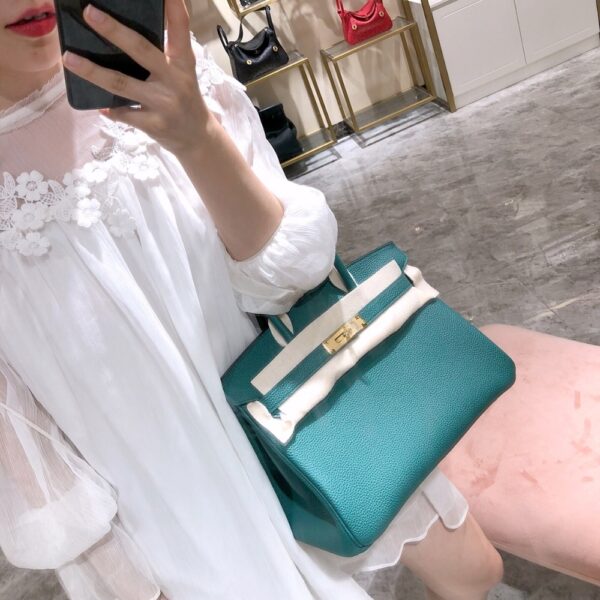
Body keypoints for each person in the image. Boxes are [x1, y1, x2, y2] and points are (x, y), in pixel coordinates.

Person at [0, 0, 504, 598]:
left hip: (319, 403)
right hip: (180, 506)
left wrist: (197, 138)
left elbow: (294, 272)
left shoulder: (170, 73)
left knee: (474, 572)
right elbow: (20, 432)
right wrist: (124, 579)